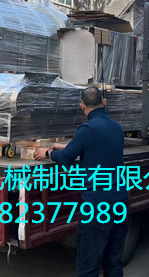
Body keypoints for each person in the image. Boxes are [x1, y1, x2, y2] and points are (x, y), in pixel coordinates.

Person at [34, 86, 129, 277]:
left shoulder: (87, 130)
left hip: (97, 207)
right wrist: (68, 145)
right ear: (104, 103)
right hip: (120, 202)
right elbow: (98, 147)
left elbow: (66, 158)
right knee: (113, 263)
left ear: (82, 107)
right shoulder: (117, 128)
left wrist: (48, 152)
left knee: (88, 266)